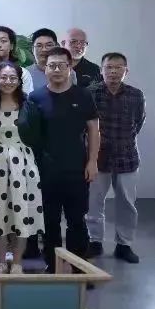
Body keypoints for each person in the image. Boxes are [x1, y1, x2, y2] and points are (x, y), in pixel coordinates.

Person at [30, 46, 100, 272]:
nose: (57, 70)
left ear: (70, 68)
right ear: (45, 69)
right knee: (49, 222)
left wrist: (92, 161)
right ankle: (52, 267)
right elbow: (31, 135)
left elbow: (94, 130)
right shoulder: (35, 97)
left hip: (76, 169)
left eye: (61, 65)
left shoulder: (83, 95)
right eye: (52, 66)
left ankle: (79, 269)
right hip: (46, 170)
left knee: (76, 221)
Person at [0, 62, 44, 275]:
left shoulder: (29, 105)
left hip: (23, 165)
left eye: (12, 78)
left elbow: (37, 136)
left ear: (19, 81)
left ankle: (17, 262)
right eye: (3, 77)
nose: (8, 82)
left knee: (21, 213)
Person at [86, 52, 145, 264]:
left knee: (127, 204)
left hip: (127, 157)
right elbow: (86, 126)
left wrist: (124, 141)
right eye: (109, 67)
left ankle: (124, 244)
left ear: (126, 71)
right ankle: (95, 241)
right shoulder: (91, 93)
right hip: (98, 157)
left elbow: (138, 122)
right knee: (94, 202)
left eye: (118, 67)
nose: (113, 71)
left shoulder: (136, 95)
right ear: (101, 70)